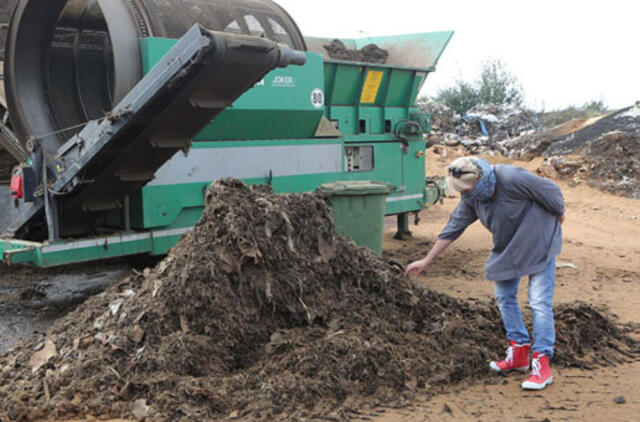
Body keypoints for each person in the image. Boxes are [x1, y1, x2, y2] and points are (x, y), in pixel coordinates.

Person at [405, 157, 565, 390]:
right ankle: (519, 352)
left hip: (538, 240)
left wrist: (558, 216)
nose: (462, 195)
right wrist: (427, 259)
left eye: (464, 190)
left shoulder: (511, 178)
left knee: (539, 302)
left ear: (478, 179)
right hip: (508, 245)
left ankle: (542, 363)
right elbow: (454, 226)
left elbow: (552, 192)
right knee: (504, 296)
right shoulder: (473, 196)